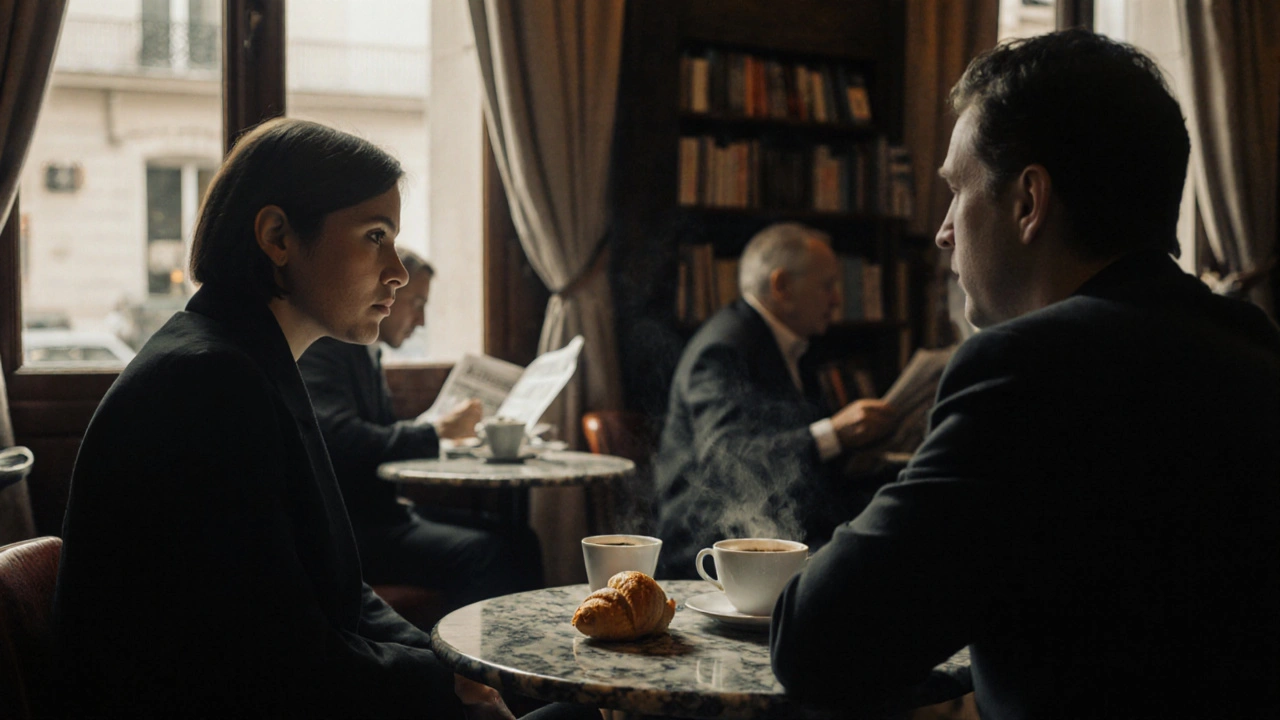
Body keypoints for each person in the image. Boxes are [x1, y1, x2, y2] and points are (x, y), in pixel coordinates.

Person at [770, 29, 1280, 719]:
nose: (944, 231)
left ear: (1028, 202)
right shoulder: (1254, 343)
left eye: (957, 190)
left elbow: (817, 643)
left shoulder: (1027, 369)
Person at [53, 118, 596, 720]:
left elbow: (340, 599)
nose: (398, 271)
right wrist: (442, 687)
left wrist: (454, 671)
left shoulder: (243, 362)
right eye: (375, 236)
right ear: (277, 237)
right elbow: (276, 664)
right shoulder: (208, 383)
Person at [299, 248, 542, 610]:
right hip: (354, 530)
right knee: (490, 553)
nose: (422, 321)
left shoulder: (366, 350)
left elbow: (369, 434)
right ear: (383, 293)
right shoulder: (327, 347)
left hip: (385, 514)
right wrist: (436, 431)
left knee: (521, 538)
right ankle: (467, 648)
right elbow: (341, 440)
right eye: (417, 304)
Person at [652, 222, 897, 579]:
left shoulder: (792, 342)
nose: (836, 300)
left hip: (774, 530)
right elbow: (728, 461)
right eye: (827, 285)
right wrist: (835, 433)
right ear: (782, 286)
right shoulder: (722, 349)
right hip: (713, 549)